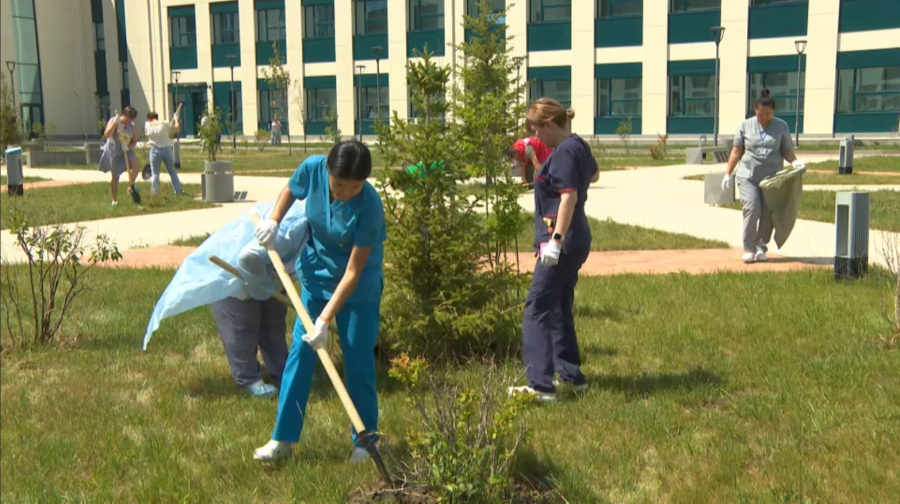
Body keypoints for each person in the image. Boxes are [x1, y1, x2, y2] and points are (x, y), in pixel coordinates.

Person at [252, 140, 386, 463]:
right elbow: (290, 189)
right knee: (299, 355)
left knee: (358, 361)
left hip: (359, 288)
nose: (345, 193)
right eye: (340, 185)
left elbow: (353, 272)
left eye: (354, 188)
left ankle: (365, 442)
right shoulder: (312, 168)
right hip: (315, 277)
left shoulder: (369, 206)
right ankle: (282, 440)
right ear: (328, 170)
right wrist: (274, 220)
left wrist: (325, 320)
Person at [510, 99, 599, 402]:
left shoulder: (564, 152)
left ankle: (541, 385)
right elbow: (594, 175)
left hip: (562, 241)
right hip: (575, 238)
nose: (535, 137)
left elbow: (568, 198)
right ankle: (572, 377)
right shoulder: (578, 146)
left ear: (549, 124)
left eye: (536, 130)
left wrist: (555, 241)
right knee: (560, 305)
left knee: (536, 308)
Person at [722, 89, 806, 263]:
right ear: (755, 110)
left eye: (768, 114)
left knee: (768, 215)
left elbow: (786, 150)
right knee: (752, 210)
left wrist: (795, 162)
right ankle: (749, 248)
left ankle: (761, 247)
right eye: (761, 114)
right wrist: (728, 173)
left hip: (771, 179)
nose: (764, 117)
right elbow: (737, 150)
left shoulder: (781, 126)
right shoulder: (745, 126)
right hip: (748, 176)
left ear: (773, 112)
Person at [100, 106, 142, 205]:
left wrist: (129, 147)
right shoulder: (114, 121)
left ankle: (130, 186)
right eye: (129, 118)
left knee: (136, 166)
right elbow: (107, 135)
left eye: (132, 119)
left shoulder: (132, 126)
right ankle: (114, 200)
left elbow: (135, 140)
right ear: (124, 115)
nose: (130, 121)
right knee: (115, 176)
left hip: (127, 150)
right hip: (114, 151)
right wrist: (114, 123)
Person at [143, 112, 184, 196]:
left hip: (154, 149)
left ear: (149, 118)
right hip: (166, 149)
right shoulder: (164, 123)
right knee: (172, 171)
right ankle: (178, 190)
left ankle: (155, 193)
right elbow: (177, 128)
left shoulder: (147, 125)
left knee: (155, 173)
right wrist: (176, 119)